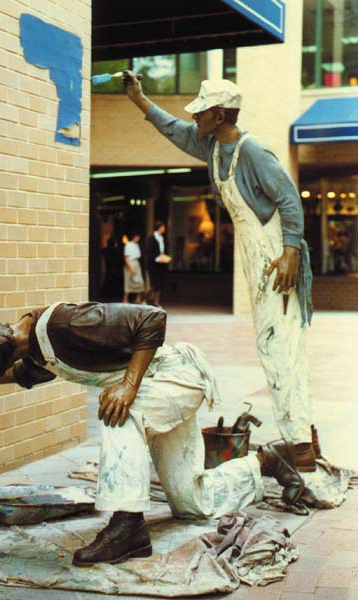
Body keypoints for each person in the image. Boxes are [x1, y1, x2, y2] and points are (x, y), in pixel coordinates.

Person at [0, 301, 315, 567]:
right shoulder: (36, 348)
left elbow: (151, 318)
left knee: (117, 411)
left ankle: (127, 526)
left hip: (175, 377)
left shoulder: (62, 324)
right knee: (191, 503)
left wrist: (127, 384)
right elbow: (24, 374)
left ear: (3, 355)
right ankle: (269, 461)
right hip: (156, 390)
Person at [123, 73, 317, 473]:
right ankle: (302, 437)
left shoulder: (254, 152)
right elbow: (174, 129)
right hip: (255, 257)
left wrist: (291, 253)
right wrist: (140, 100)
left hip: (277, 258)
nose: (195, 118)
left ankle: (301, 446)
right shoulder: (211, 145)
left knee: (282, 349)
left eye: (202, 111)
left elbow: (289, 200)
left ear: (221, 114)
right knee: (274, 348)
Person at [146, 220, 169, 307]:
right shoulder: (151, 238)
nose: (164, 229)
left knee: (160, 283)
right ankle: (148, 298)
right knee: (153, 283)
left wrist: (164, 257)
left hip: (162, 264)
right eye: (163, 227)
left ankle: (156, 300)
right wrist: (156, 258)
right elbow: (149, 251)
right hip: (153, 264)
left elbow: (164, 250)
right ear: (159, 228)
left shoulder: (163, 238)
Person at [123, 232, 145, 303]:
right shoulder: (128, 245)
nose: (138, 239)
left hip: (136, 263)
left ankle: (138, 298)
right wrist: (130, 268)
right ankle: (125, 299)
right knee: (128, 281)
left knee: (139, 281)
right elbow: (126, 258)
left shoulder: (137, 245)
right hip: (130, 263)